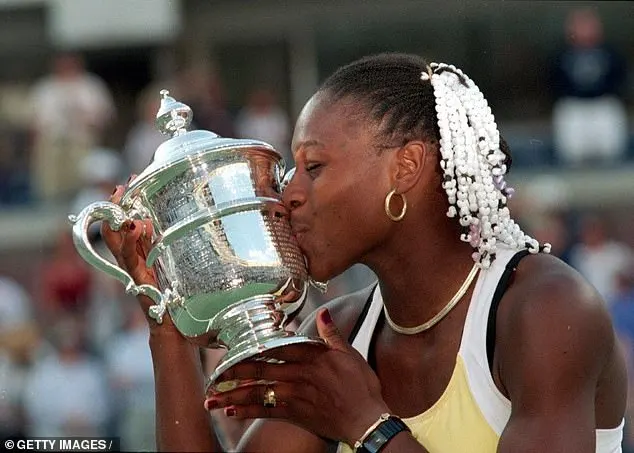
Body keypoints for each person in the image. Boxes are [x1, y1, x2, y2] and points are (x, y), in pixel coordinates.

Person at [102, 53, 626, 452]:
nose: (288, 195)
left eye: (314, 166)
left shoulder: (547, 308)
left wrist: (369, 426)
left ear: (405, 168)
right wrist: (164, 315)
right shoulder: (343, 333)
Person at [551, 8, 628, 167]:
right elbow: (553, 82)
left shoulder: (610, 52)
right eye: (580, 25)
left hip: (603, 105)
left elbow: (620, 78)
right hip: (574, 107)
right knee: (572, 154)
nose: (585, 30)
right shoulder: (561, 54)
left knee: (611, 152)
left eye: (589, 25)